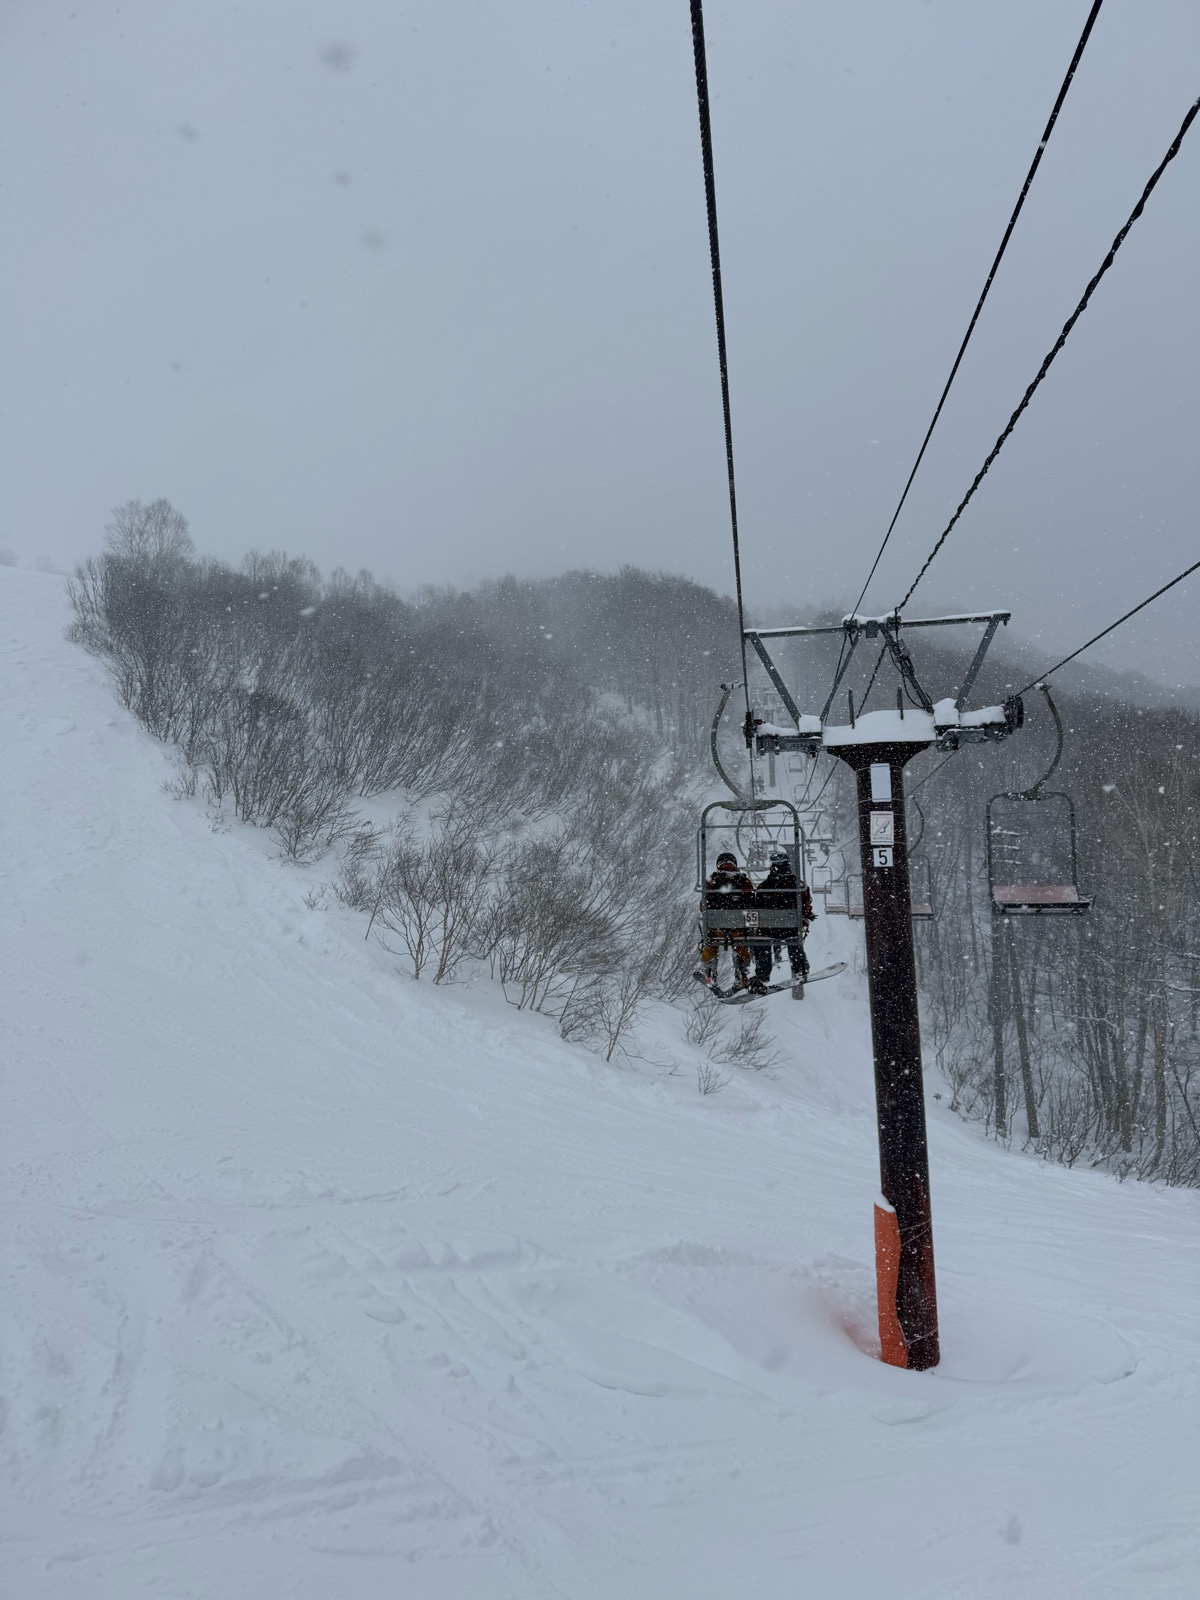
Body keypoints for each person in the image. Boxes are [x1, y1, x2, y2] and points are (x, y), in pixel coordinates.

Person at [754, 848, 815, 987]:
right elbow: (806, 904)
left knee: (762, 943)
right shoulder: (798, 885)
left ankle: (763, 974)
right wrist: (806, 917)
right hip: (791, 928)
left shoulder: (763, 887)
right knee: (794, 941)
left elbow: (757, 907)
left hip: (768, 930)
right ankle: (800, 968)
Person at [699, 850, 755, 990]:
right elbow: (752, 902)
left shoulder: (712, 880)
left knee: (710, 942)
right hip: (739, 929)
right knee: (740, 944)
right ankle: (741, 972)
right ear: (734, 864)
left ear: (719, 864)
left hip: (717, 927)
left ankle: (708, 971)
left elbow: (703, 905)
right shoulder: (744, 880)